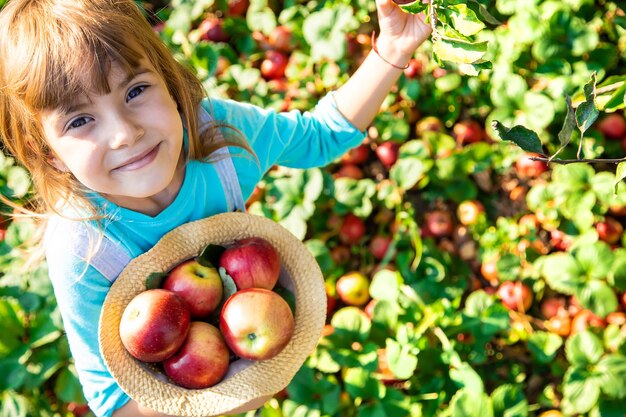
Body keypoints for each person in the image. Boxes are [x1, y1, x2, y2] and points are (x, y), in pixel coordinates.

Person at [0, 0, 431, 415]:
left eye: (135, 90)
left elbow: (320, 135)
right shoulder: (84, 249)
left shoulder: (220, 139)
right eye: (79, 120)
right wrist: (228, 402)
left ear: (170, 82)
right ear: (48, 152)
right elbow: (114, 405)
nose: (124, 134)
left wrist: (392, 50)